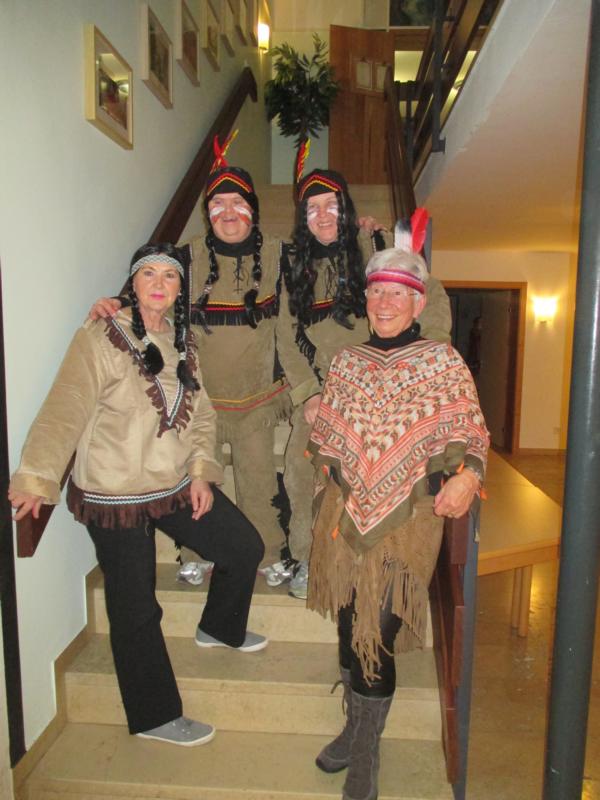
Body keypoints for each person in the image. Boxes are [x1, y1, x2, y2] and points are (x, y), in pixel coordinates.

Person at [9, 243, 268, 746]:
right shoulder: (101, 335)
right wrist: (37, 476)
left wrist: (200, 471)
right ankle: (153, 717)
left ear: (180, 289)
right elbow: (66, 405)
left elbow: (202, 414)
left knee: (243, 547)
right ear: (133, 283)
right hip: (114, 493)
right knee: (136, 606)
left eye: (169, 277)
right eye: (148, 274)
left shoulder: (184, 340)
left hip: (172, 482)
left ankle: (220, 627)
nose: (158, 284)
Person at [305, 247, 489, 800]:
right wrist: (318, 416)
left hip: (410, 519)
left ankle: (366, 753)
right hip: (344, 516)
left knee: (376, 633)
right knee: (347, 627)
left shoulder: (442, 361)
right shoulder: (348, 361)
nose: (385, 303)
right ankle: (354, 730)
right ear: (366, 299)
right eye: (377, 292)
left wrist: (468, 476)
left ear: (418, 303)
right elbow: (330, 435)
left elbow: (472, 431)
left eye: (398, 294)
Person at [89, 164, 319, 579]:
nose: (228, 212)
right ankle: (196, 553)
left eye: (237, 202)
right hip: (200, 404)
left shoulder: (280, 255)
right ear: (206, 212)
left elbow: (296, 317)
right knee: (196, 484)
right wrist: (117, 304)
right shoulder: (184, 258)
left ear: (253, 208)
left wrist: (307, 390)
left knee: (259, 485)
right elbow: (152, 295)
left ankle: (268, 554)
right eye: (217, 204)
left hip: (258, 403)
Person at [273, 170, 452, 599]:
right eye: (312, 208)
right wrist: (308, 393)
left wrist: (422, 363)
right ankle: (307, 556)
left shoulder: (379, 244)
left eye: (331, 205)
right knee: (299, 469)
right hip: (325, 390)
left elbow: (429, 298)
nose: (322, 215)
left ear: (347, 209)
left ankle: (373, 563)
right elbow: (285, 335)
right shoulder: (293, 267)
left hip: (384, 388)